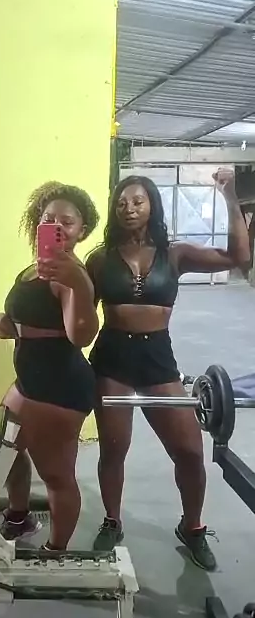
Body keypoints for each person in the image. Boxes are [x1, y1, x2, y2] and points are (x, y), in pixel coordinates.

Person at [86, 168, 250, 571]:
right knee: (114, 449)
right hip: (112, 359)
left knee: (190, 452)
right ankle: (112, 521)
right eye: (121, 203)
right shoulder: (100, 259)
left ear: (152, 206)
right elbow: (81, 318)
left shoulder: (174, 254)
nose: (129, 208)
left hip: (158, 359)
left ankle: (192, 527)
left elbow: (238, 258)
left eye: (137, 201)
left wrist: (230, 198)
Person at [0, 182, 99, 550]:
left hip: (58, 390)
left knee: (56, 476)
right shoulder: (35, 267)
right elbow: (32, 315)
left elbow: (80, 335)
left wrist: (80, 284)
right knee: (5, 451)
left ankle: (56, 551)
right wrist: (6, 323)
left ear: (82, 230)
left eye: (67, 222)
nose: (56, 226)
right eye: (48, 218)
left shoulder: (69, 275)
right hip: (29, 382)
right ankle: (18, 517)